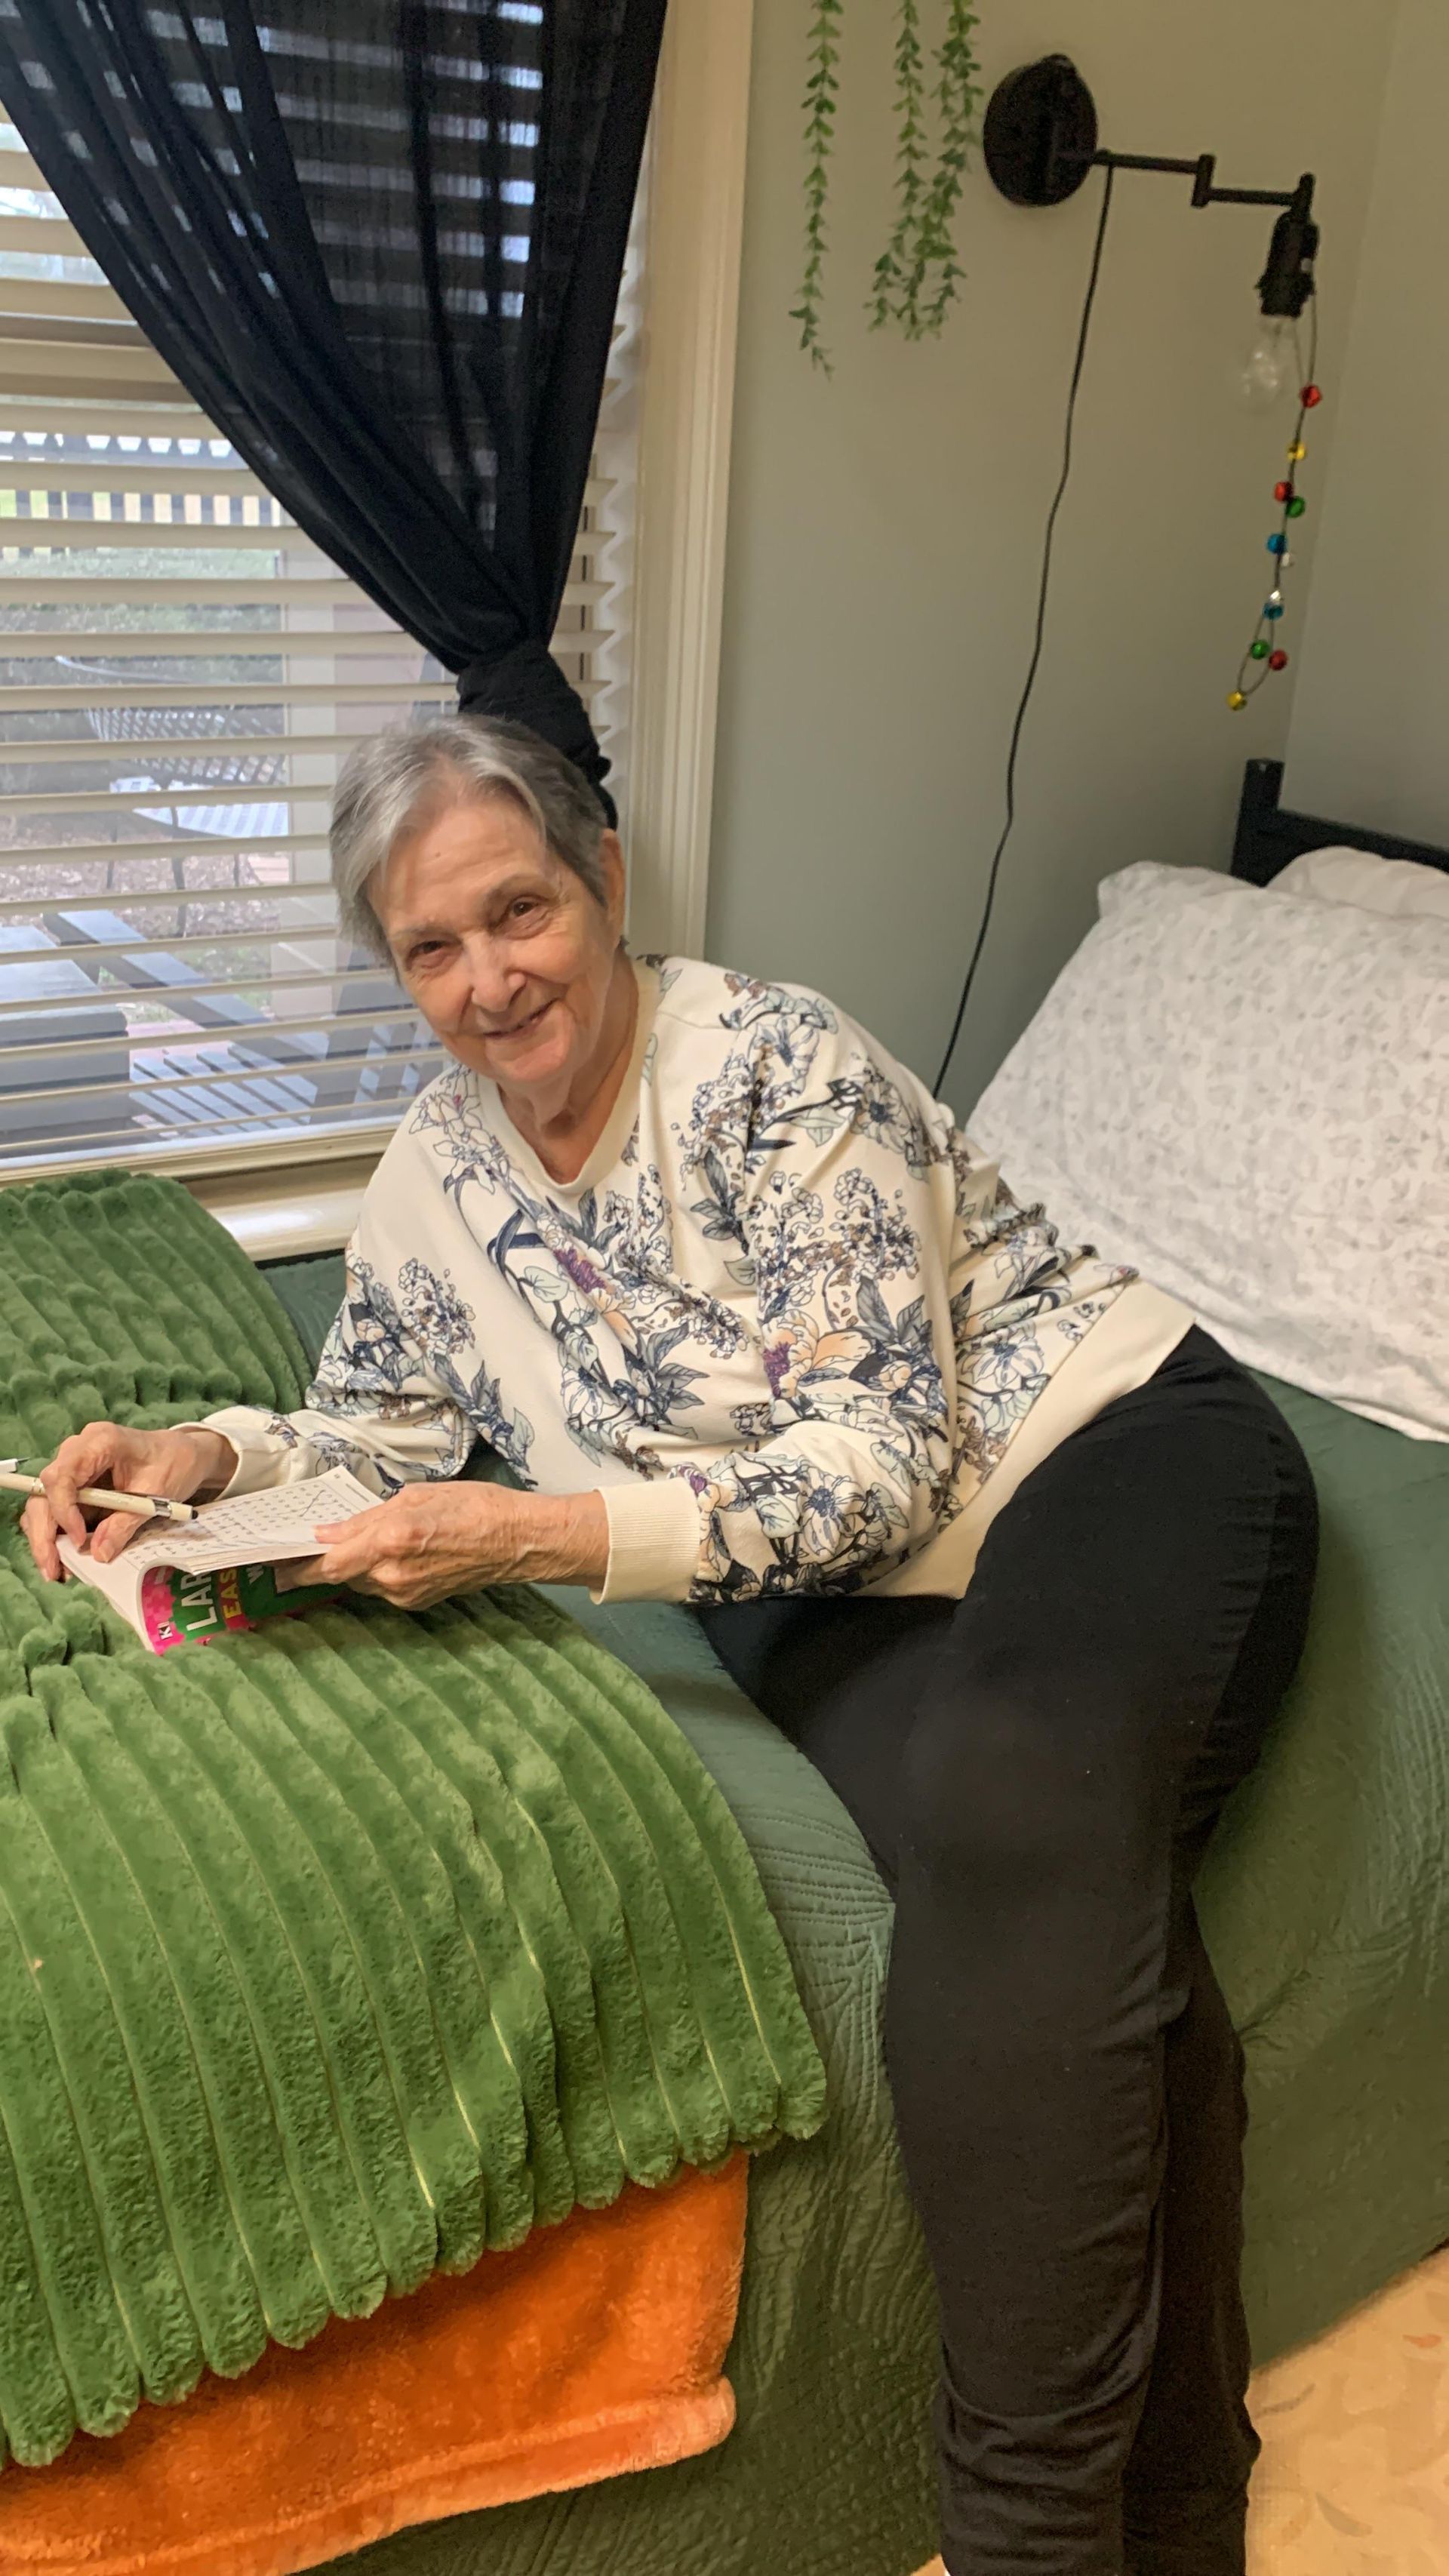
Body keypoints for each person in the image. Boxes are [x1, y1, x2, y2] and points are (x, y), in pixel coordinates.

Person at [25, 712, 1318, 2576]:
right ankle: (1185, 2512)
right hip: (796, 1573)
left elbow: (878, 1464)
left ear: (607, 883)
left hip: (1094, 1452)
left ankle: (1030, 2537)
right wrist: (211, 1457)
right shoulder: (437, 1169)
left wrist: (544, 1535)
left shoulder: (776, 1067)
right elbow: (377, 1422)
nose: (488, 981)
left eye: (519, 912)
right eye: (431, 948)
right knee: (1062, 1915)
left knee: (1021, 1810)